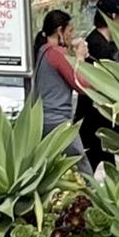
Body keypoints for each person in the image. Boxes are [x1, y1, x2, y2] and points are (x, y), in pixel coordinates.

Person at [76, 0, 119, 167]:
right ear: (113, 17)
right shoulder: (97, 47)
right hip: (95, 118)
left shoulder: (104, 44)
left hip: (100, 118)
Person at [31, 10, 87, 152]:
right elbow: (81, 84)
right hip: (58, 120)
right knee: (81, 165)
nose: (72, 35)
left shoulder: (42, 50)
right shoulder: (56, 53)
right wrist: (80, 58)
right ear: (59, 31)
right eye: (70, 31)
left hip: (42, 119)